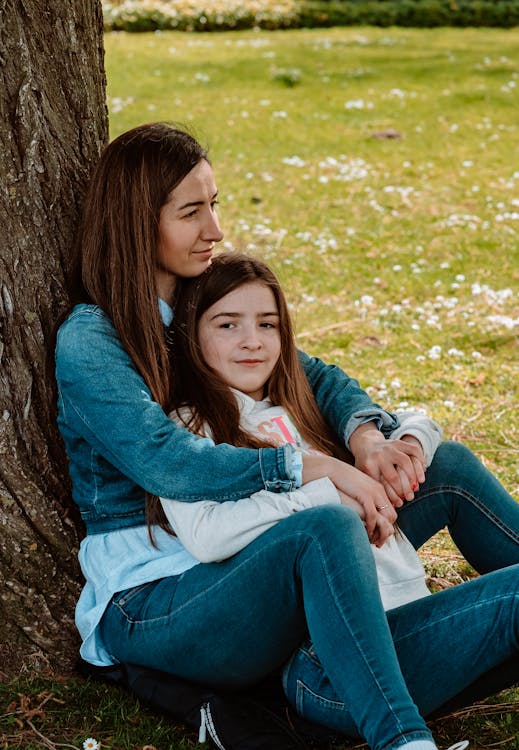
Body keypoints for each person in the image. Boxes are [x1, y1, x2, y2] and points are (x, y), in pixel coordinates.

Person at [54, 122, 519, 750]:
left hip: (254, 545)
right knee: (321, 527)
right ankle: (404, 741)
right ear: (137, 221)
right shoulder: (92, 340)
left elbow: (313, 374)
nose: (214, 230)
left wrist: (365, 440)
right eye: (191, 212)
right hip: (160, 590)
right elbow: (168, 462)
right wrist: (310, 468)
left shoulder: (203, 295)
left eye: (213, 205)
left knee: (451, 469)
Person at [161, 251, 444, 610]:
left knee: (451, 461)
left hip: (404, 593)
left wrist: (407, 450)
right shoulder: (191, 424)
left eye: (267, 324)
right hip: (348, 619)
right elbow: (207, 537)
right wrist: (330, 492)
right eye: (227, 325)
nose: (253, 341)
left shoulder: (299, 404)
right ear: (192, 335)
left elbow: (416, 421)